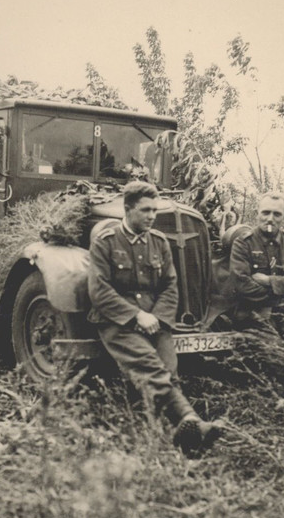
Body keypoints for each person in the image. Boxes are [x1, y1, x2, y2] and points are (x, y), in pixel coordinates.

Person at [88, 181, 223, 457]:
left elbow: (170, 286)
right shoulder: (106, 241)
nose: (152, 216)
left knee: (169, 369)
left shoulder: (159, 242)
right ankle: (192, 422)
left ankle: (183, 435)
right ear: (127, 209)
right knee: (151, 367)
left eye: (154, 210)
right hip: (116, 320)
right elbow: (99, 290)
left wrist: (158, 319)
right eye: (145, 210)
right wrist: (136, 315)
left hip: (154, 320)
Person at [229, 192, 284, 425]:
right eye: (265, 212)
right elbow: (243, 285)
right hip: (253, 312)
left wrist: (268, 281)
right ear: (257, 214)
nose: (270, 218)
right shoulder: (243, 243)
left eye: (276, 214)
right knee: (276, 352)